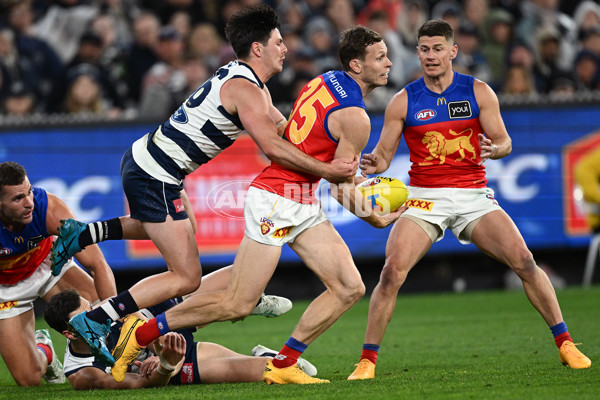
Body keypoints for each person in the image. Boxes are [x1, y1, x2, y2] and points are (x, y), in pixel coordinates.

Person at [48, 4, 358, 369]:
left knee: (180, 231)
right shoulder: (247, 91)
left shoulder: (245, 80)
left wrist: (345, 158)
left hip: (151, 161)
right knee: (186, 275)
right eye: (277, 42)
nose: (285, 49)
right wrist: (329, 169)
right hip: (157, 173)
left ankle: (83, 233)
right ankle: (97, 319)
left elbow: (287, 130)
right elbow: (273, 148)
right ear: (257, 48)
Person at [105, 25, 405, 385]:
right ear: (357, 65)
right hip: (279, 200)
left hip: (299, 197)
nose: (389, 63)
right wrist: (375, 218)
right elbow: (340, 190)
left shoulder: (324, 80)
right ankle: (138, 334)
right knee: (237, 303)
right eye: (380, 57)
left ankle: (282, 365)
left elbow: (309, 144)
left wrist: (354, 175)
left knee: (348, 287)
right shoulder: (357, 117)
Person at [347, 19, 593, 381]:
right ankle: (367, 361)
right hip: (424, 197)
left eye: (438, 49)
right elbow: (384, 157)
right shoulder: (404, 100)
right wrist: (372, 162)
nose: (431, 56)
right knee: (391, 272)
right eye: (425, 49)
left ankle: (566, 343)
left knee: (525, 261)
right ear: (417, 52)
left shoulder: (479, 92)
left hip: (473, 195)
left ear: (453, 52)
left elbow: (505, 141)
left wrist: (496, 150)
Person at [43, 289, 316, 390]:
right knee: (275, 373)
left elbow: (135, 314)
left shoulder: (102, 316)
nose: (96, 314)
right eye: (86, 315)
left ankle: (241, 305)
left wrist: (149, 343)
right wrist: (165, 364)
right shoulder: (84, 373)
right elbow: (142, 384)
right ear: (69, 333)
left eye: (92, 308)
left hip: (159, 337)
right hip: (172, 364)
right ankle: (263, 356)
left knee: (208, 284)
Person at [0, 161, 117, 386]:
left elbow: (97, 263)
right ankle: (46, 350)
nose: (29, 204)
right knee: (29, 378)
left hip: (47, 266)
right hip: (6, 289)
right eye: (17, 199)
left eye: (29, 192)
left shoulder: (48, 207)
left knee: (101, 302)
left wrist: (115, 313)